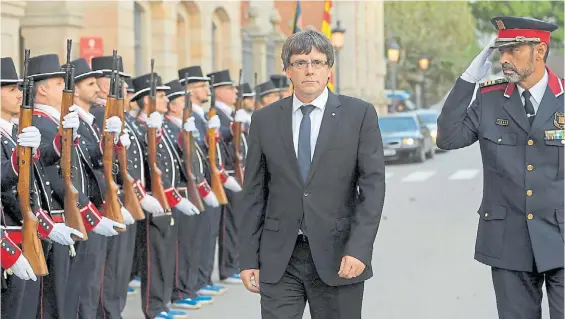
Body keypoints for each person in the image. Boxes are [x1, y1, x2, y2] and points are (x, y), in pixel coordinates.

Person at [237, 27, 386, 319]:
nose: (309, 70)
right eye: (300, 63)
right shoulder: (265, 120)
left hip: (339, 256)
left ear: (329, 69)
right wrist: (247, 258)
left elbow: (372, 189)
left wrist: (359, 248)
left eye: (317, 63)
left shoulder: (359, 115)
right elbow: (254, 193)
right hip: (280, 257)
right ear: (287, 71)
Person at [436, 16, 564, 319]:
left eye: (514, 50)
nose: (504, 59)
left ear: (540, 51)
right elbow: (448, 137)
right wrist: (470, 77)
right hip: (509, 240)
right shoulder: (489, 99)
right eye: (500, 50)